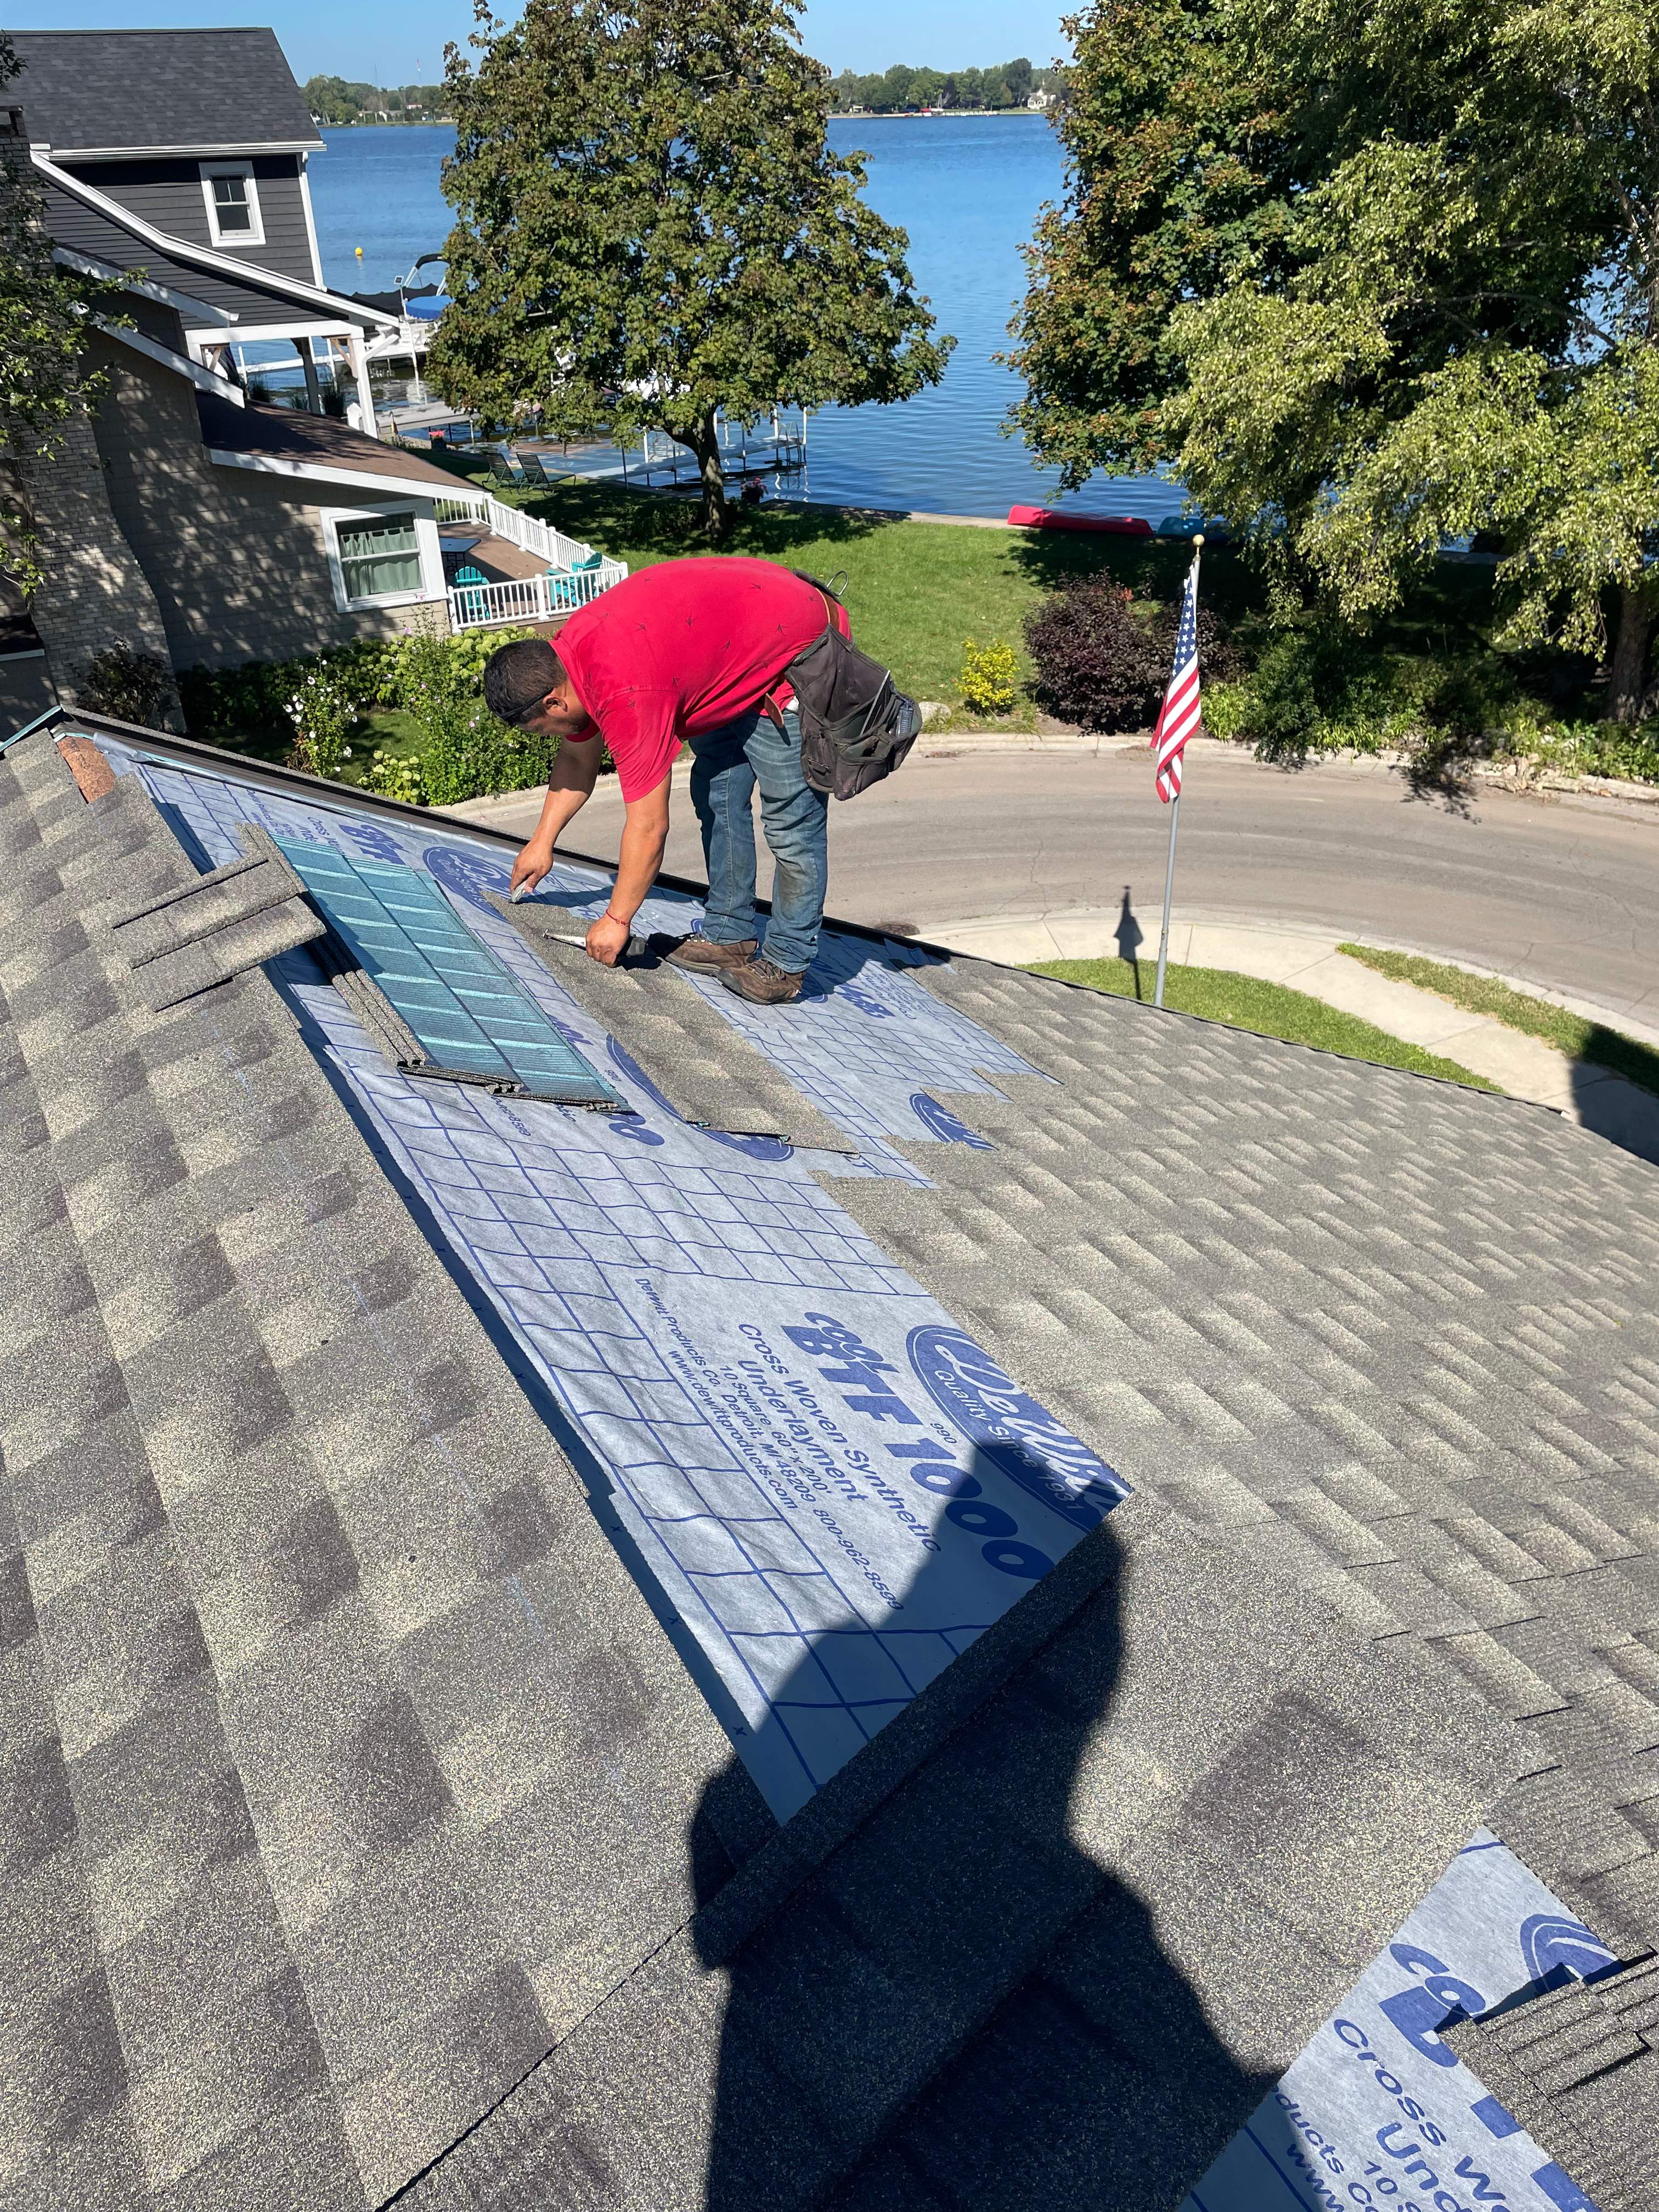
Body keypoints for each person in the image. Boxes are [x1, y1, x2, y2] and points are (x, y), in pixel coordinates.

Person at [482, 557, 848, 1005]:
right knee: (717, 795)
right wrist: (543, 840)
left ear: (554, 702)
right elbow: (579, 757)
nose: (547, 738)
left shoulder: (626, 694)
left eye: (539, 729)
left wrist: (617, 920)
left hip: (793, 645)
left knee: (792, 827)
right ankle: (729, 936)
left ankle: (788, 962)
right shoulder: (567, 659)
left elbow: (650, 827)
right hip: (729, 646)